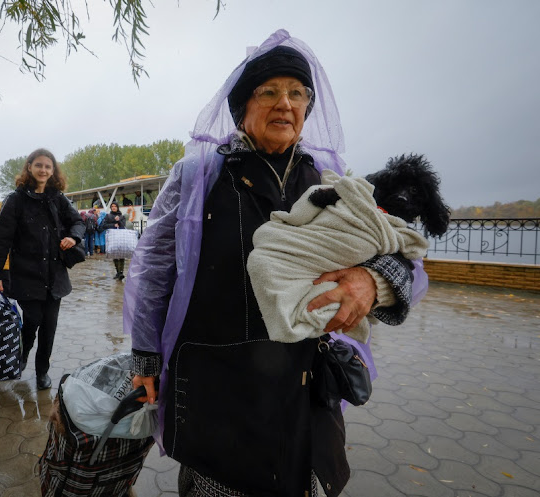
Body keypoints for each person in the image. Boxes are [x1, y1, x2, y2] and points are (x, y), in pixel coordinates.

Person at [123, 31, 427, 497]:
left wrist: (371, 281)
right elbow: (155, 268)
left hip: (301, 386)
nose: (285, 103)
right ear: (243, 107)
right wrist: (145, 354)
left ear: (308, 108)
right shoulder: (200, 175)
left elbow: (408, 257)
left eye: (297, 93)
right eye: (269, 92)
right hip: (214, 384)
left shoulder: (332, 185)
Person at [0, 148, 84, 390]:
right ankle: (21, 355)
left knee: (49, 327)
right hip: (26, 275)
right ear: (29, 167)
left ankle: (42, 371)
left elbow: (78, 221)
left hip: (55, 276)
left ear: (53, 171)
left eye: (48, 167)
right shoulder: (16, 200)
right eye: (39, 165)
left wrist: (73, 237)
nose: (43, 170)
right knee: (32, 319)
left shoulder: (57, 198)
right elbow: (0, 240)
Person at [101, 202, 128, 280]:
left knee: (122, 254)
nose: (113, 208)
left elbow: (123, 226)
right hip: (112, 237)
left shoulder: (122, 216)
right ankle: (118, 272)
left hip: (121, 236)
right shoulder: (108, 216)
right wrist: (113, 225)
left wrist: (118, 221)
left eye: (115, 206)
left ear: (117, 207)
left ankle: (121, 272)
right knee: (115, 254)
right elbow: (103, 225)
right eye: (112, 206)